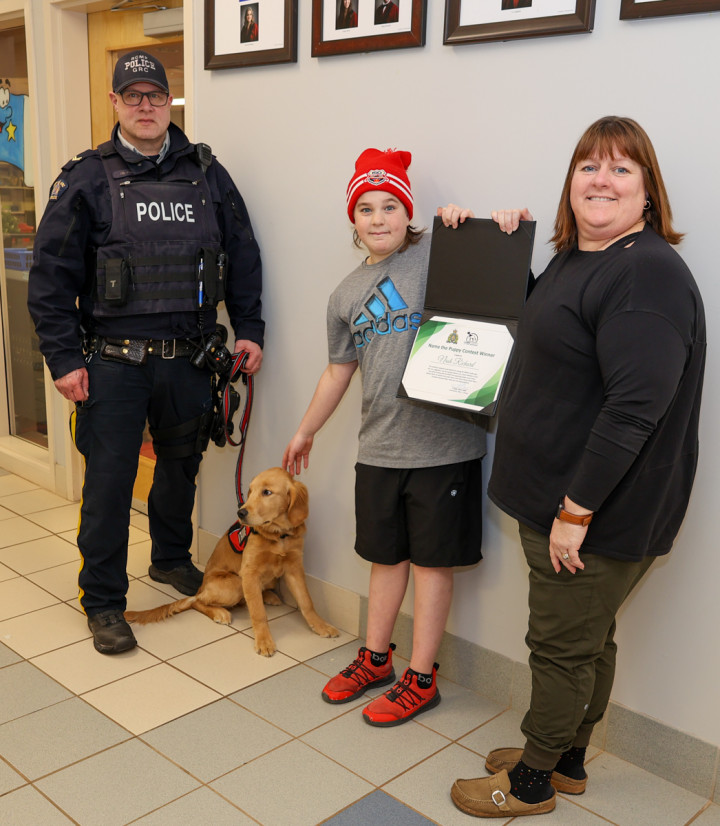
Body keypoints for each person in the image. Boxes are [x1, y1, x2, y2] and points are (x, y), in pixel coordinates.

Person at [451, 116, 705, 818]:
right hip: (564, 502)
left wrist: (575, 511)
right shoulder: (580, 259)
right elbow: (545, 329)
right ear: (571, 182)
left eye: (622, 169)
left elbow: (633, 411)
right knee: (587, 641)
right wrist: (491, 245)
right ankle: (567, 760)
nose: (601, 179)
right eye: (589, 165)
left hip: (594, 512)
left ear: (649, 193)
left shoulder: (645, 275)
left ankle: (531, 782)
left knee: (559, 648)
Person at [27, 50, 264, 656]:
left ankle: (169, 559)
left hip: (188, 357)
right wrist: (63, 359)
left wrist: (250, 329)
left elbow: (242, 252)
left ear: (168, 101)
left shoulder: (206, 173)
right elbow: (50, 277)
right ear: (115, 103)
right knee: (109, 483)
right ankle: (103, 599)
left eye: (155, 95)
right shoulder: (85, 177)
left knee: (181, 467)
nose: (145, 106)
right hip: (111, 360)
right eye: (132, 96)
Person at [283, 148, 486, 726]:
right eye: (366, 207)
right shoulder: (344, 295)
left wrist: (467, 225)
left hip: (445, 446)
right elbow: (337, 371)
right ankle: (376, 660)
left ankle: (423, 677)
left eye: (390, 205)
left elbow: (494, 276)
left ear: (408, 212)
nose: (378, 217)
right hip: (379, 447)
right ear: (353, 219)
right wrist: (305, 431)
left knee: (431, 565)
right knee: (384, 557)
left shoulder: (433, 255)